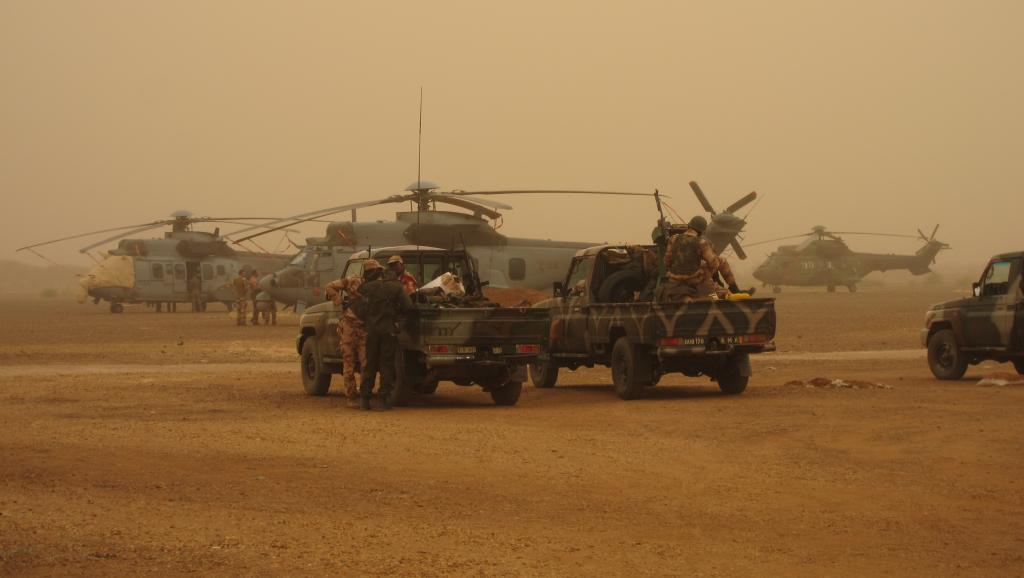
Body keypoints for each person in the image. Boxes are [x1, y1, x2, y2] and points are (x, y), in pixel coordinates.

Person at [357, 259, 413, 411]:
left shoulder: (365, 288)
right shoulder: (396, 288)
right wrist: (398, 323)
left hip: (371, 331)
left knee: (369, 365)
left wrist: (368, 321)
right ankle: (383, 400)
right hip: (388, 331)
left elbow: (357, 309)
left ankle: (365, 399)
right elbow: (408, 307)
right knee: (386, 366)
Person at [662, 216, 749, 302]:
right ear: (701, 231)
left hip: (674, 278)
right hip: (694, 279)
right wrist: (710, 275)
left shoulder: (673, 239)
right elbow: (713, 263)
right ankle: (734, 289)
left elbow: (666, 261)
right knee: (722, 260)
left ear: (689, 226)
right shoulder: (701, 243)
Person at [325, 273, 367, 399]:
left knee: (365, 363)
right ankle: (351, 393)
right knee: (349, 362)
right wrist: (340, 301)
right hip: (350, 325)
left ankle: (364, 393)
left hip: (363, 326)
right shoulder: (353, 280)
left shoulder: (375, 284)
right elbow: (329, 287)